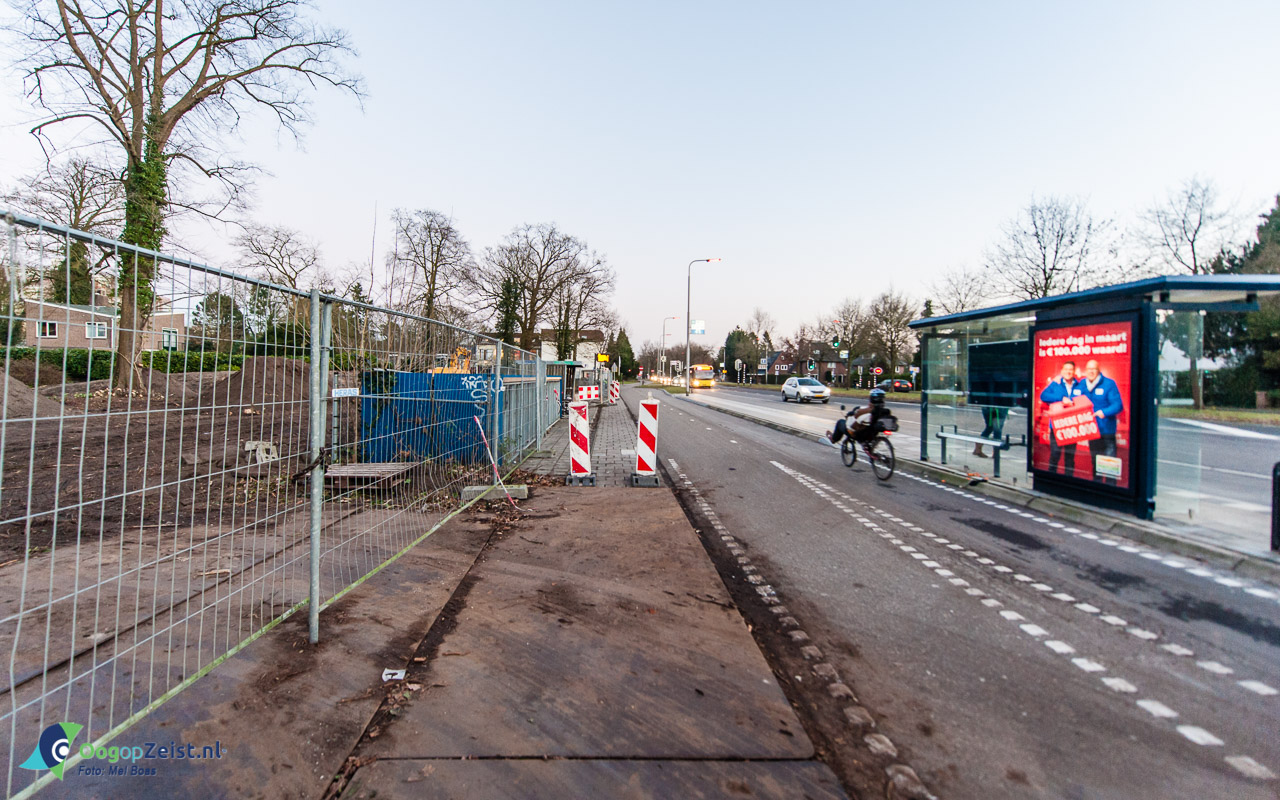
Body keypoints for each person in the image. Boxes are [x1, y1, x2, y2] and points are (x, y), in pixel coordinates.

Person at [1080, 358, 1124, 485]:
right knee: (1095, 462)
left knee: (1109, 463)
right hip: (1092, 431)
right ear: (1086, 370)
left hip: (1106, 431)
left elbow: (1117, 405)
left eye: (1094, 369)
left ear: (1099, 370)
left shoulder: (1109, 384)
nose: (1091, 372)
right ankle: (1097, 487)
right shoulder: (1082, 384)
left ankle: (1111, 489)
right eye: (1089, 369)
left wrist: (1103, 412)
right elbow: (1073, 399)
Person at [1039, 361, 1084, 475]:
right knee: (1055, 454)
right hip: (1057, 425)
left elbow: (1086, 399)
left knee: (1070, 457)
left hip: (1072, 426)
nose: (1068, 372)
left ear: (1074, 371)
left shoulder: (1080, 385)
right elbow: (1044, 396)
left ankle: (1069, 480)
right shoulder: (1056, 384)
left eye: (1071, 369)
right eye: (1066, 369)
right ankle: (1051, 479)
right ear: (1062, 371)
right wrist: (1061, 398)